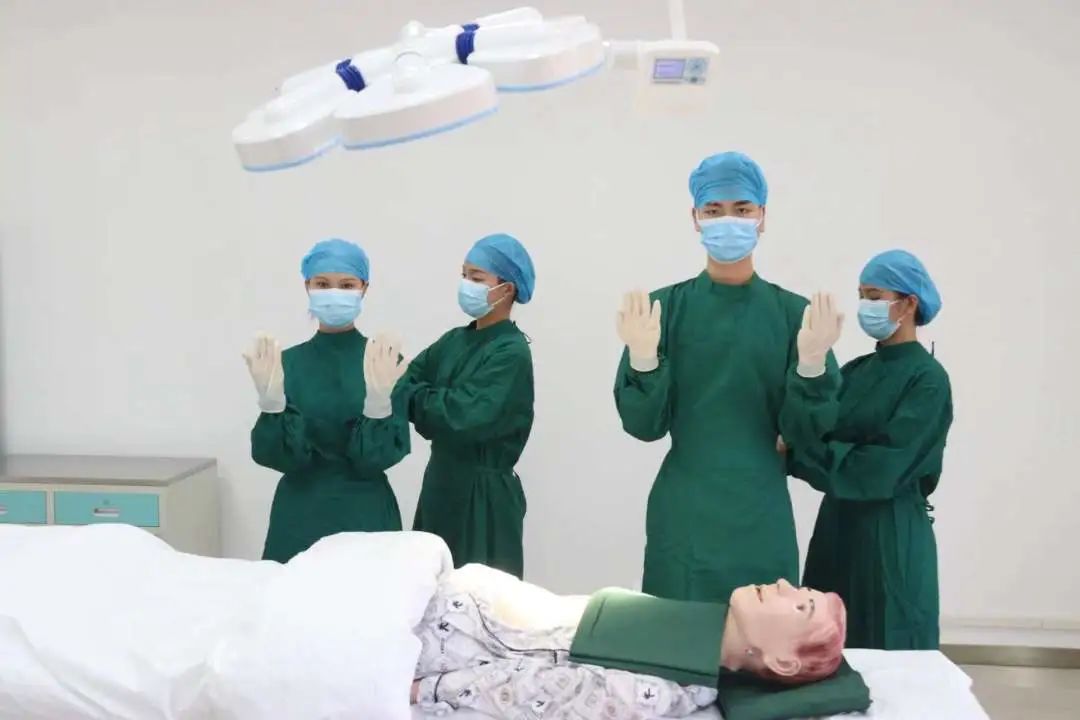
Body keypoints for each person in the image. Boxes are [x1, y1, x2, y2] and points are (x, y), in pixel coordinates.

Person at [614, 152, 842, 602]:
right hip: (686, 513)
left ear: (762, 217)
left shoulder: (793, 316)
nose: (728, 221)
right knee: (680, 634)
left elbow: (808, 433)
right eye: (714, 210)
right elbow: (643, 427)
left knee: (765, 632)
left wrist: (812, 366)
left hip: (761, 514)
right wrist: (643, 361)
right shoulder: (663, 311)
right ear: (695, 218)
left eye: (742, 209)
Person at [781, 249, 952, 650]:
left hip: (890, 533)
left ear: (908, 304)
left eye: (874, 296)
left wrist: (802, 453)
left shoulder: (928, 380)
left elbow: (880, 469)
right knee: (824, 645)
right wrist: (810, 365)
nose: (864, 306)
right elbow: (810, 428)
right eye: (861, 295)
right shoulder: (856, 371)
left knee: (890, 649)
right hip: (837, 527)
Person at [411, 564, 847, 718]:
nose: (784, 585)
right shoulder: (689, 625)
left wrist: (425, 690)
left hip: (437, 633)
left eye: (801, 606)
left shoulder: (659, 689)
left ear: (783, 662)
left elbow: (531, 690)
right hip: (443, 592)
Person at [243, 238, 411, 562]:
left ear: (364, 288)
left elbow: (378, 458)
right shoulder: (285, 364)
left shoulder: (385, 362)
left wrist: (379, 407)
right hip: (300, 516)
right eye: (322, 284)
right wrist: (272, 406)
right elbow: (279, 458)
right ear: (307, 286)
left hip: (366, 515)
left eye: (346, 285)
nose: (334, 293)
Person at [406, 233, 536, 577]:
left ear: (507, 289)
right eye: (464, 275)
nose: (467, 285)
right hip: (439, 486)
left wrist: (421, 398)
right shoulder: (453, 341)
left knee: (480, 595)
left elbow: (463, 417)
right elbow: (404, 381)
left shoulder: (511, 352)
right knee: (430, 588)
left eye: (477, 278)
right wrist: (421, 396)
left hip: (483, 497)